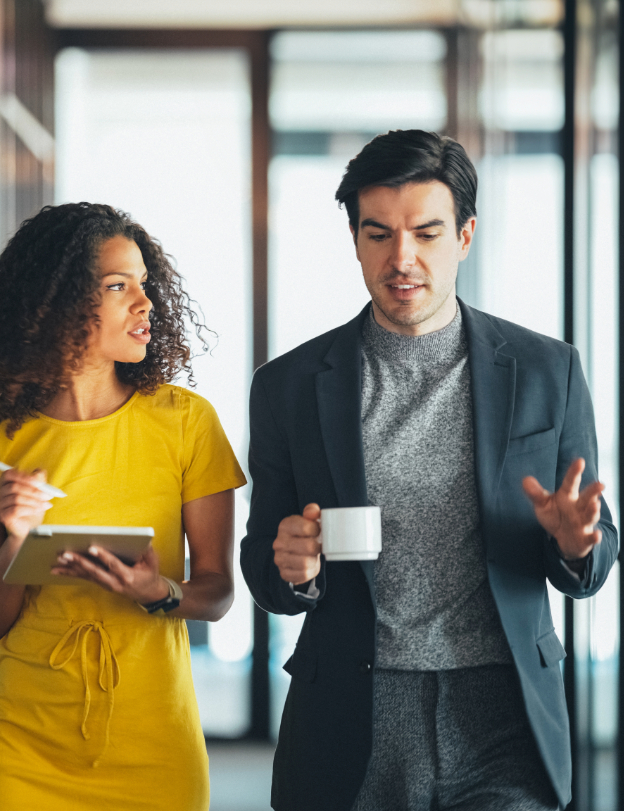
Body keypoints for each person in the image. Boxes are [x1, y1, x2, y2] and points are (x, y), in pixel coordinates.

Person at [240, 130, 618, 811]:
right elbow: (264, 567)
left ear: (465, 236)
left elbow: (595, 551)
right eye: (378, 233)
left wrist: (575, 542)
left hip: (502, 715)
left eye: (427, 232)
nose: (402, 258)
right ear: (355, 240)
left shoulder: (546, 372)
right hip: (354, 715)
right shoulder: (288, 387)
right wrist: (292, 567)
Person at [0, 202, 246, 811]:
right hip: (18, 745)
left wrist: (156, 590)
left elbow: (216, 594)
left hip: (153, 736)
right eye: (117, 286)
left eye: (143, 284)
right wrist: (18, 541)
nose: (145, 302)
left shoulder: (186, 422)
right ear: (55, 304)